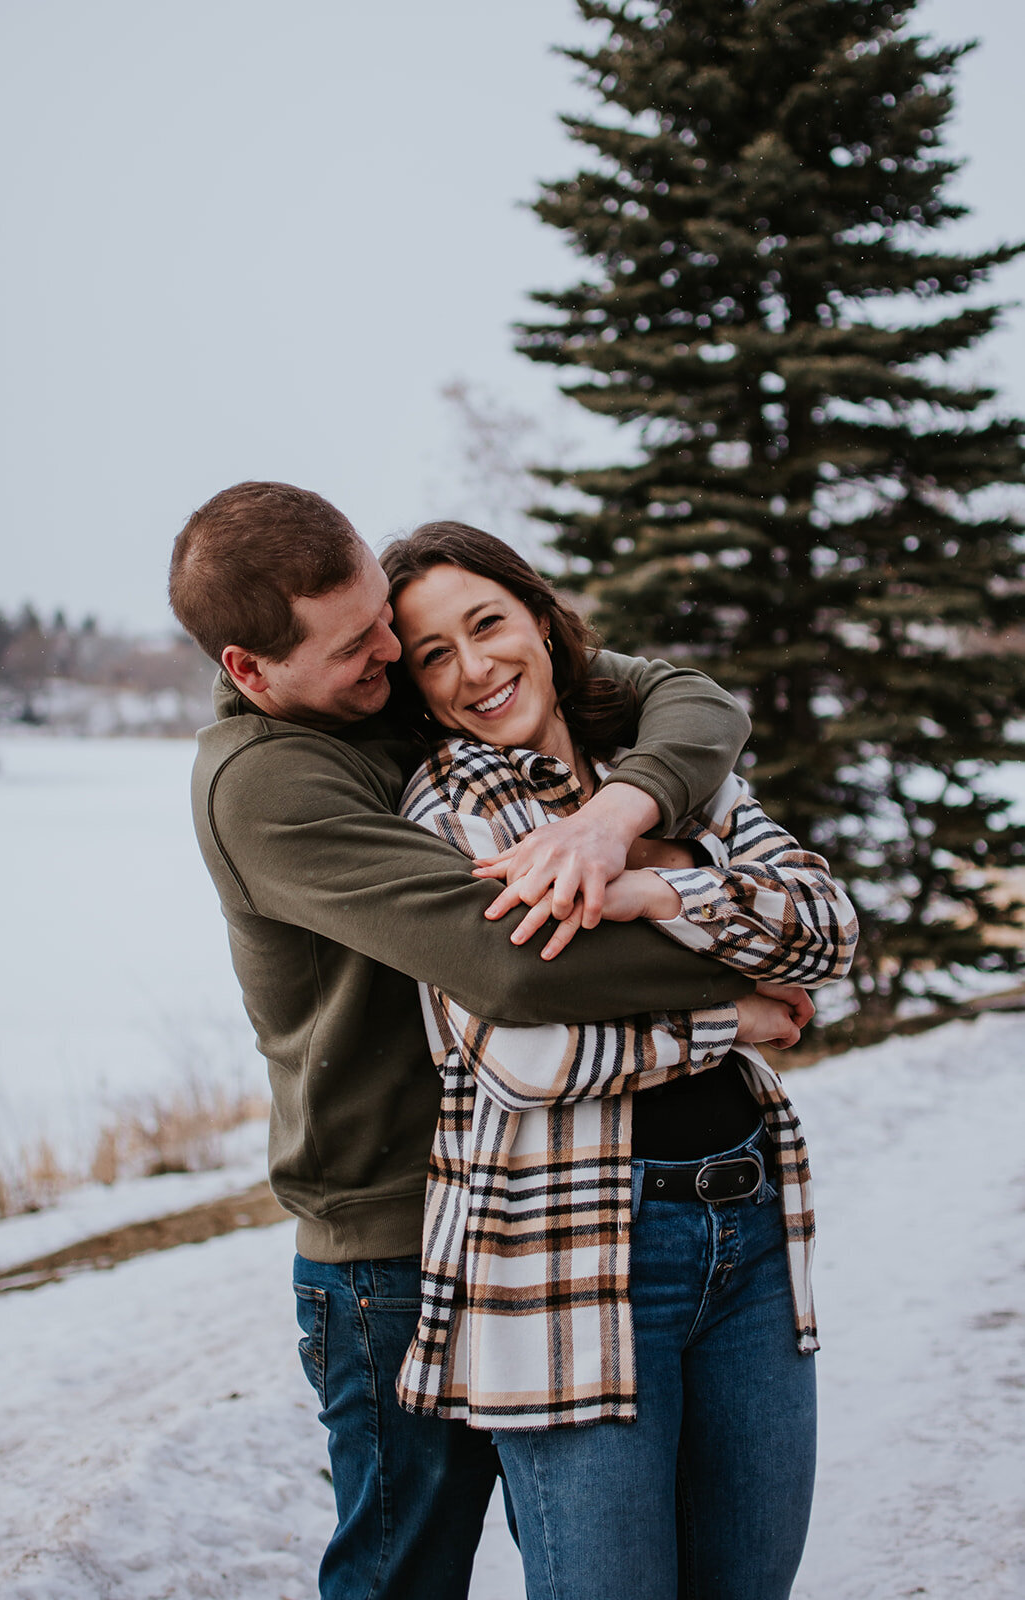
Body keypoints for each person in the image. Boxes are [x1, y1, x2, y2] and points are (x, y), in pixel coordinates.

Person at [167, 480, 768, 1600]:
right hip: (391, 1244)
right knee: (407, 1573)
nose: (392, 654)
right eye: (356, 645)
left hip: (526, 1207)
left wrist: (617, 811)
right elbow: (505, 961)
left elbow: (691, 699)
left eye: (383, 621)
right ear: (252, 668)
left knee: (603, 1559)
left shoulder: (392, 680)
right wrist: (743, 977)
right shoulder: (264, 784)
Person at [380, 521, 858, 1600]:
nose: (475, 667)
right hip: (561, 1261)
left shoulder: (662, 765)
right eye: (433, 654)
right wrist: (735, 1016)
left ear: (540, 619)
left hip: (746, 1229)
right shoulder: (448, 810)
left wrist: (654, 883)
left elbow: (826, 929)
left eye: (486, 623)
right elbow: (516, 1051)